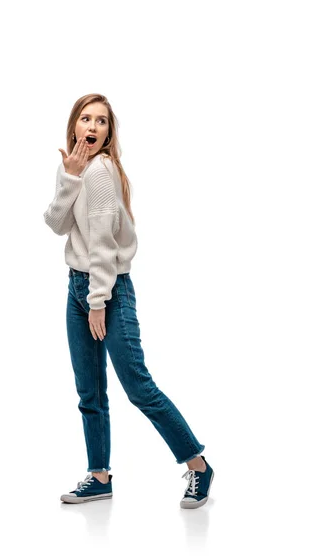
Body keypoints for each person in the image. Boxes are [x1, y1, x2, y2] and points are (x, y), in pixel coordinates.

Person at [43, 93, 214, 509]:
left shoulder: (101, 172)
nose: (93, 127)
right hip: (77, 289)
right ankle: (99, 476)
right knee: (90, 390)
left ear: (109, 132)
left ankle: (198, 465)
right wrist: (68, 177)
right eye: (86, 118)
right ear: (74, 126)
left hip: (108, 291)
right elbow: (55, 223)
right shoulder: (78, 169)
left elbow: (102, 246)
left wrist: (98, 300)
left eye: (102, 121)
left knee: (137, 385)